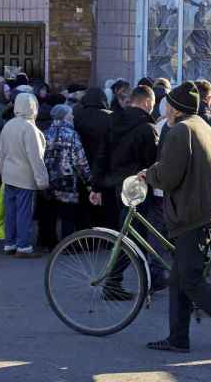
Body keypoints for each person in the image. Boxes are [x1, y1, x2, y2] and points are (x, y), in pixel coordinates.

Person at [142, 81, 211, 358]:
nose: (165, 108)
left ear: (176, 109)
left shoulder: (181, 131)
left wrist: (148, 175)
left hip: (194, 214)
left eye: (168, 104)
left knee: (191, 281)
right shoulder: (201, 125)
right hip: (205, 209)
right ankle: (178, 338)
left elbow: (170, 176)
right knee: (179, 280)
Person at [95, 85, 166, 290]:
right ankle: (114, 282)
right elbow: (152, 162)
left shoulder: (112, 121)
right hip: (138, 187)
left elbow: (102, 155)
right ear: (146, 102)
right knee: (134, 237)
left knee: (130, 234)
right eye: (152, 105)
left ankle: (143, 279)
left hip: (116, 186)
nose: (152, 109)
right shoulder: (147, 128)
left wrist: (96, 186)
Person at [0, 92, 49, 258]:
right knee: (24, 213)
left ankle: (9, 243)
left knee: (10, 212)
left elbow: (2, 153)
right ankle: (23, 246)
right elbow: (36, 158)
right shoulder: (30, 129)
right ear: (33, 107)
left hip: (9, 175)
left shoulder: (8, 125)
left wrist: (2, 173)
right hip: (25, 178)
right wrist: (43, 181)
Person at [43, 104, 90, 246]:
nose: (73, 117)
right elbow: (80, 160)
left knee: (49, 214)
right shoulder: (72, 135)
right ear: (64, 117)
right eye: (70, 115)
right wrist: (88, 178)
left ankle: (48, 243)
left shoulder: (45, 133)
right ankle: (67, 245)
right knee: (67, 215)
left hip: (49, 179)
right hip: (68, 180)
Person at [74, 87, 112, 230]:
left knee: (83, 202)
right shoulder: (110, 117)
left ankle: (83, 234)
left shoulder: (77, 115)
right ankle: (103, 235)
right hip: (103, 165)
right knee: (104, 201)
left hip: (81, 164)